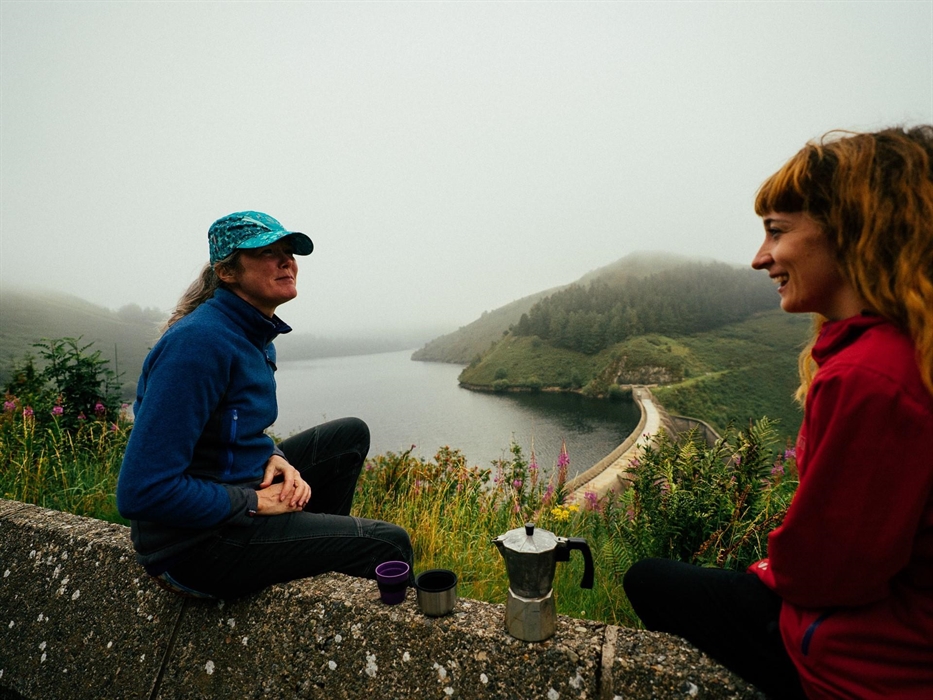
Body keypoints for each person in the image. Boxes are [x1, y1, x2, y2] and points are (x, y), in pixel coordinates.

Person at [623, 126, 933, 699]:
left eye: (777, 231)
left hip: (867, 667)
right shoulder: (903, 347)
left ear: (850, 229)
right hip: (896, 635)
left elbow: (829, 571)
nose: (759, 257)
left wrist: (772, 570)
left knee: (648, 579)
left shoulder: (869, 374)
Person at [117, 210, 413, 600]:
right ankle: (330, 573)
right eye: (268, 252)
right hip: (195, 547)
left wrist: (272, 454)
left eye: (288, 251)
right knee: (388, 544)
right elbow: (142, 492)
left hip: (233, 490)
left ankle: (316, 551)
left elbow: (228, 424)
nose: (286, 260)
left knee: (349, 436)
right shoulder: (198, 345)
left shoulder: (251, 333)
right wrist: (255, 501)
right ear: (227, 272)